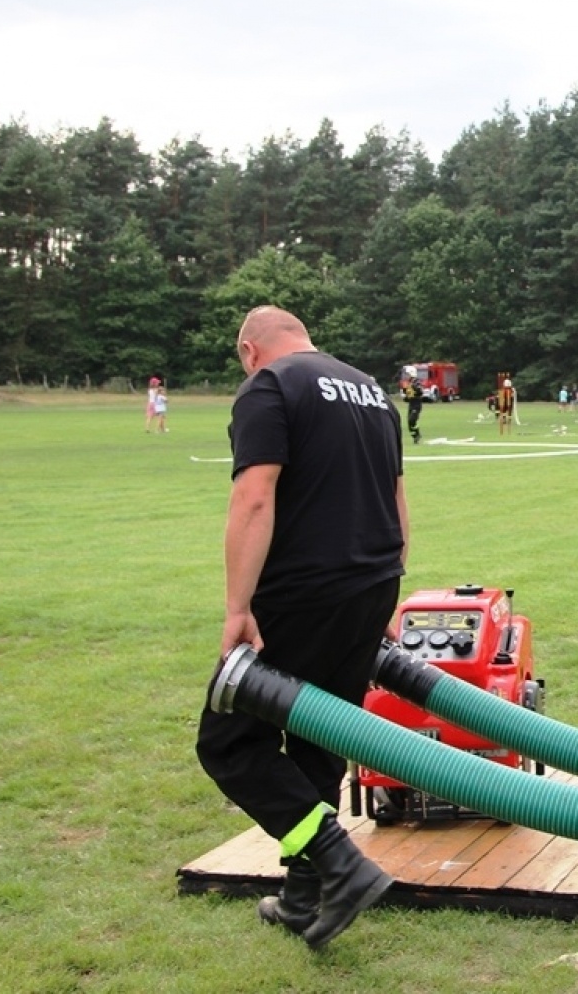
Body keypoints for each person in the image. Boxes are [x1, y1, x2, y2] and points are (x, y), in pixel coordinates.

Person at [195, 306, 408, 949]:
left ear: (249, 349)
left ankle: (339, 864)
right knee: (318, 738)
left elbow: (255, 496)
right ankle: (303, 894)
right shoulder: (371, 391)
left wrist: (238, 607)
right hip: (373, 583)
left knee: (229, 743)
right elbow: (397, 496)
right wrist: (391, 586)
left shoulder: (270, 386)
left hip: (303, 591)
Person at [402, 375, 425, 444]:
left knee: (412, 419)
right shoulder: (408, 384)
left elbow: (420, 391)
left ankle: (417, 434)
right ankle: (415, 436)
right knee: (409, 423)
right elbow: (407, 397)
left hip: (416, 405)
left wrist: (414, 388)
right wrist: (406, 394)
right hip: (411, 405)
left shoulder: (416, 382)